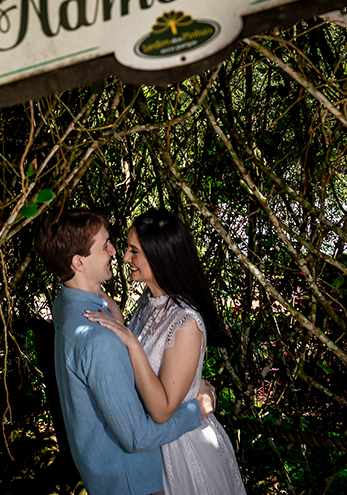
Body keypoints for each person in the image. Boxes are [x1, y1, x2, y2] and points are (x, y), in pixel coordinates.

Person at [35, 210, 217, 495]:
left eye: (132, 249)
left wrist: (119, 322)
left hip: (147, 464)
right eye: (106, 245)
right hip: (133, 479)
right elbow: (137, 435)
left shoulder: (66, 304)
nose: (116, 253)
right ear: (78, 262)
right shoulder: (98, 337)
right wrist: (198, 410)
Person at [84, 208, 247, 495]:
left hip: (183, 451)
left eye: (134, 251)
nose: (124, 257)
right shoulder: (150, 301)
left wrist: (131, 343)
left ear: (160, 255)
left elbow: (162, 410)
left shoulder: (186, 322)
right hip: (150, 446)